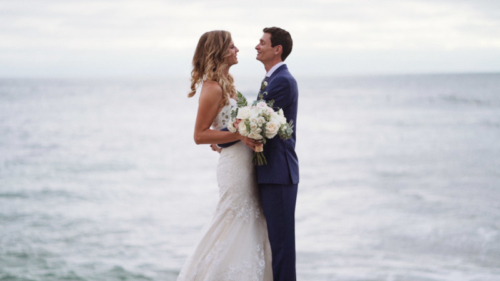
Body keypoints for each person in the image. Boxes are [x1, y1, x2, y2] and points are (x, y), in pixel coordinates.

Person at [177, 30, 273, 281]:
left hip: (244, 162)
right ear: (218, 52)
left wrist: (227, 141)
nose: (237, 50)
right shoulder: (211, 88)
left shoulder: (227, 84)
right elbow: (199, 135)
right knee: (232, 219)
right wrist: (239, 136)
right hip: (234, 170)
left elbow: (223, 130)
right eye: (231, 47)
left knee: (251, 221)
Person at [219, 27, 299, 281]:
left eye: (262, 42)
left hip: (278, 173)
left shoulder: (283, 81)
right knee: (272, 243)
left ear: (277, 49)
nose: (256, 46)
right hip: (269, 173)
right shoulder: (271, 80)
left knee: (282, 246)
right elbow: (255, 120)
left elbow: (256, 120)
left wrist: (221, 140)